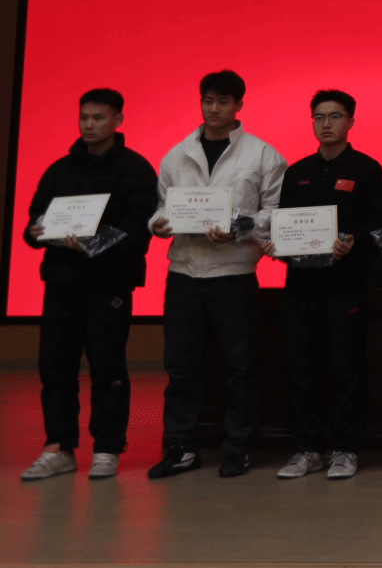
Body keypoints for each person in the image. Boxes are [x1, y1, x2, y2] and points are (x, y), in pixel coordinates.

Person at [147, 70, 285, 479]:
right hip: (183, 272)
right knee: (180, 366)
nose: (214, 108)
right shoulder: (176, 154)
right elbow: (161, 206)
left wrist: (238, 228)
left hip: (233, 274)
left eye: (223, 101)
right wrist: (158, 224)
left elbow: (275, 214)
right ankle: (182, 447)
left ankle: (238, 447)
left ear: (238, 105)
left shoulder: (263, 155)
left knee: (241, 366)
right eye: (208, 100)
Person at [19, 89, 158, 483]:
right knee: (55, 367)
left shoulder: (135, 170)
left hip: (108, 284)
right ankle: (58, 448)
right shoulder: (59, 170)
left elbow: (140, 229)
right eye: (84, 117)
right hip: (61, 281)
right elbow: (35, 221)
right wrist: (36, 232)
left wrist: (91, 242)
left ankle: (107, 448)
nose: (89, 125)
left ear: (118, 120)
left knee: (107, 365)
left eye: (98, 117)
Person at [267, 89, 382, 482]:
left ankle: (345, 449)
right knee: (302, 369)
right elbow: (286, 223)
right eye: (318, 117)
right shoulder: (297, 171)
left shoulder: (367, 169)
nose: (326, 124)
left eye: (334, 116)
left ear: (350, 121)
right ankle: (307, 449)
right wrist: (276, 244)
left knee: (346, 370)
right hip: (300, 286)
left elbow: (381, 224)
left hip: (346, 285)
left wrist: (355, 241)